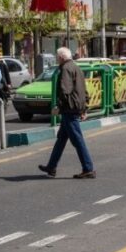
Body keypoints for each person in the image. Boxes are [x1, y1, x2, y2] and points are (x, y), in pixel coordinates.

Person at [38, 47, 96, 179]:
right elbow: (83, 90)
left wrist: (59, 106)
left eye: (57, 57)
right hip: (75, 107)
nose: (57, 59)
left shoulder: (65, 69)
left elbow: (65, 91)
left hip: (69, 109)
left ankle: (88, 168)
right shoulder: (76, 67)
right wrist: (84, 108)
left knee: (77, 140)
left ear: (61, 57)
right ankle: (51, 166)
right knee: (61, 139)